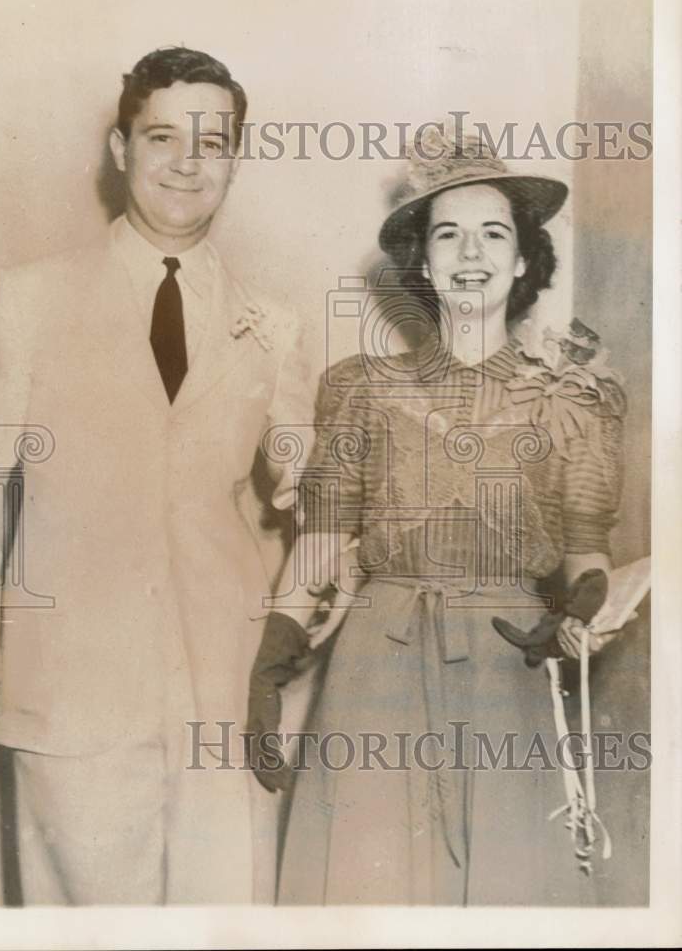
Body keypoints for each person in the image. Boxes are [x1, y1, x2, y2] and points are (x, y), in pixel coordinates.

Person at [0, 47, 312, 905]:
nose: (187, 161)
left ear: (234, 159)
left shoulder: (275, 326)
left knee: (222, 922)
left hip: (223, 685)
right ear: (119, 149)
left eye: (212, 142)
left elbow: (317, 493)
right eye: (162, 137)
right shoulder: (26, 299)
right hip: (69, 680)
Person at [247, 129, 628, 904]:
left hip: (506, 663)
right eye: (447, 234)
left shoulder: (573, 400)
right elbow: (320, 542)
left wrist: (580, 605)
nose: (470, 252)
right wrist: (273, 653)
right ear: (421, 261)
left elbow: (586, 552)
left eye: (493, 232)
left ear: (523, 259)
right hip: (373, 670)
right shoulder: (360, 387)